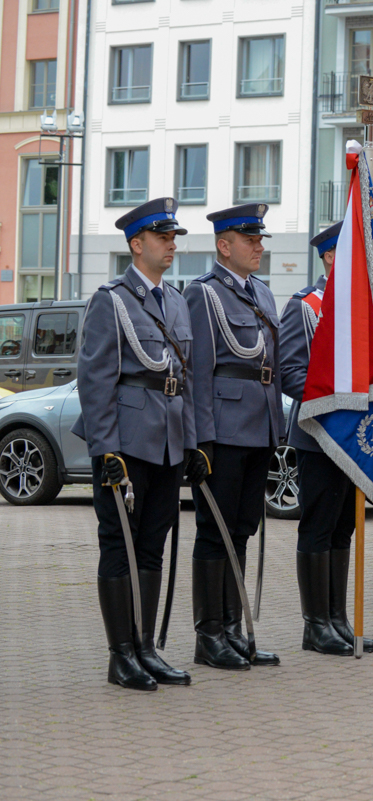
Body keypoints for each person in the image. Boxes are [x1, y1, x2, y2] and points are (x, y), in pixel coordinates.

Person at [73, 197, 198, 690]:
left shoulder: (176, 301)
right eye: (162, 237)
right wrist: (105, 449)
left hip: (167, 442)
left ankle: (146, 647)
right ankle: (120, 654)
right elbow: (95, 380)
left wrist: (192, 442)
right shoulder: (112, 300)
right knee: (118, 545)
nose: (171, 245)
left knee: (152, 546)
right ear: (136, 244)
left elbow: (183, 379)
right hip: (126, 444)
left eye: (173, 238)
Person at [185, 203, 283, 670]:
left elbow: (271, 367)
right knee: (215, 531)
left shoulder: (262, 293)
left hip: (259, 427)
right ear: (224, 246)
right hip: (223, 431)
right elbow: (198, 370)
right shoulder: (203, 294)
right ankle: (209, 636)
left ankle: (233, 628)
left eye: (260, 239)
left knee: (241, 530)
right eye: (250, 240)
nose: (258, 247)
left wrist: (276, 426)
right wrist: (201, 438)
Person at [277, 222, 373, 655]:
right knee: (319, 526)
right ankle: (315, 624)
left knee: (343, 527)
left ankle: (338, 619)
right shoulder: (306, 306)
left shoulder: (363, 309)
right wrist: (335, 406)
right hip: (319, 435)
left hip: (354, 437)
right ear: (331, 257)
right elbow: (291, 372)